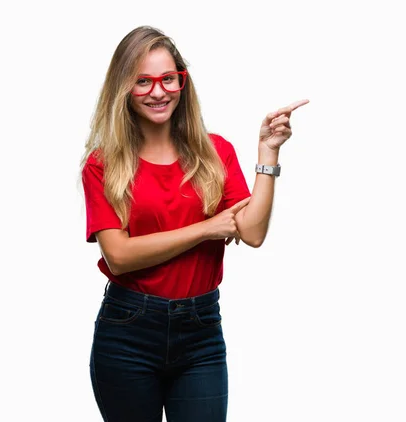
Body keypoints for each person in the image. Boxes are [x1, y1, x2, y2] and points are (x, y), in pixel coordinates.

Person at [79, 25, 308, 422]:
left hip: (201, 329)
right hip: (128, 330)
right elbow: (119, 256)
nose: (158, 91)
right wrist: (205, 229)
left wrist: (267, 153)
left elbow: (251, 232)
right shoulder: (103, 164)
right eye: (143, 81)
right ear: (123, 89)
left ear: (182, 82)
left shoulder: (214, 152)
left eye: (169, 78)